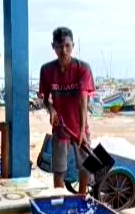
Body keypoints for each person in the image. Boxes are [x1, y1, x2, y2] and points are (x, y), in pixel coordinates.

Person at [38, 27, 95, 194]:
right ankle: (60, 198)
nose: (64, 50)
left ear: (73, 45)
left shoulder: (83, 68)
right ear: (53, 47)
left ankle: (83, 196)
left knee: (86, 166)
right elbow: (44, 97)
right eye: (59, 46)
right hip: (60, 128)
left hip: (79, 127)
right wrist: (51, 110)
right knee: (59, 169)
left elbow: (83, 100)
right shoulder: (46, 70)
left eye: (67, 46)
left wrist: (82, 130)